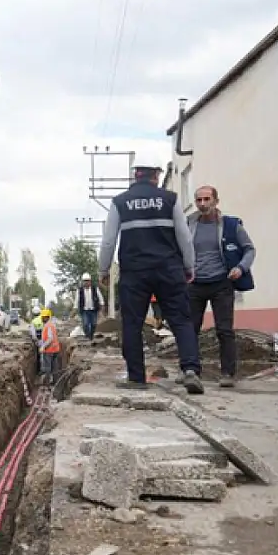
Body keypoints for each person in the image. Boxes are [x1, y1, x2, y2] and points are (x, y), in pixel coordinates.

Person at [98, 151, 204, 394]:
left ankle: (136, 377)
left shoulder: (120, 202)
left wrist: (104, 270)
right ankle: (190, 369)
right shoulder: (170, 199)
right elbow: (184, 237)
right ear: (156, 175)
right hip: (169, 269)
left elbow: (108, 241)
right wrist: (189, 266)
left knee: (132, 323)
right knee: (181, 320)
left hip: (134, 273)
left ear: (135, 175)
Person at [182, 185, 257, 388]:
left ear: (216, 201)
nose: (203, 204)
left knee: (224, 330)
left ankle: (227, 373)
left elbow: (249, 249)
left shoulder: (231, 225)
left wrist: (241, 268)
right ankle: (190, 371)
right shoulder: (188, 224)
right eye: (199, 200)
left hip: (222, 283)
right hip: (194, 284)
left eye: (207, 199)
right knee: (190, 329)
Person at [74, 273, 105, 340]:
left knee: (94, 324)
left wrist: (102, 308)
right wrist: (75, 310)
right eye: (85, 281)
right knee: (85, 324)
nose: (86, 282)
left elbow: (100, 298)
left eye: (87, 281)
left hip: (93, 310)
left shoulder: (95, 289)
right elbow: (76, 301)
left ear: (90, 281)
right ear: (82, 282)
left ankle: (91, 336)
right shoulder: (79, 290)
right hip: (84, 310)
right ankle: (88, 336)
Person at [38, 308, 61, 384]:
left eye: (43, 317)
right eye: (42, 317)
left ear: (47, 317)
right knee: (55, 367)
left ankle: (47, 383)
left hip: (49, 350)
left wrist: (43, 347)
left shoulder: (48, 326)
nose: (42, 318)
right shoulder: (52, 325)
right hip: (55, 349)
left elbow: (50, 338)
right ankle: (55, 382)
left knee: (47, 367)